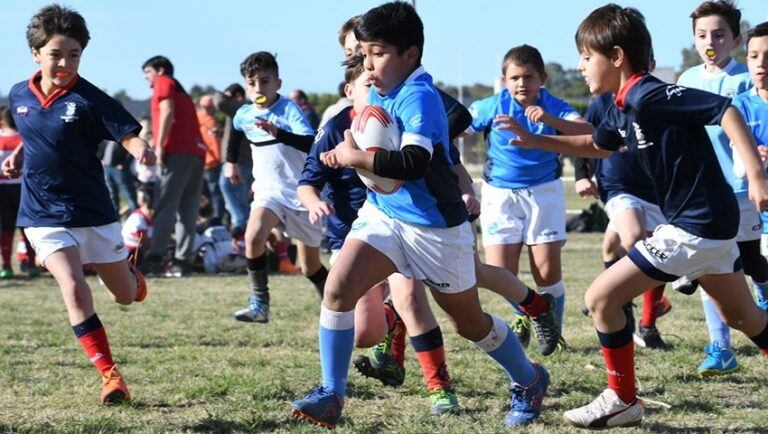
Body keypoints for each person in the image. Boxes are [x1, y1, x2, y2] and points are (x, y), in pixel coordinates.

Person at [499, 4, 768, 428]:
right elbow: (598, 146)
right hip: (706, 226)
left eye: (587, 57)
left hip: (695, 227)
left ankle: (622, 399)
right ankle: (624, 397)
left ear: (617, 57)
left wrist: (756, 175)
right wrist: (537, 141)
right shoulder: (620, 105)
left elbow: (725, 111)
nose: (580, 65)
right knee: (746, 318)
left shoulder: (649, 94)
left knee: (601, 299)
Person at [290, 3, 549, 429]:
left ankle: (529, 378)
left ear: (410, 55)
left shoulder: (420, 97)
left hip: (435, 229)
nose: (367, 64)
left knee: (469, 323)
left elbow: (412, 162)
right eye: (363, 54)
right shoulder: (376, 88)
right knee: (337, 289)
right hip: (383, 216)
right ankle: (332, 393)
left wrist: (358, 157)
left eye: (377, 53)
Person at [1, 4, 155, 404]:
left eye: (74, 54)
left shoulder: (90, 99)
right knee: (73, 286)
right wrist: (19, 155)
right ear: (36, 53)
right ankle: (110, 375)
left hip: (93, 212)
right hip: (42, 213)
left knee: (124, 295)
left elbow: (126, 133)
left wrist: (142, 149)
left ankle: (129, 274)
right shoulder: (20, 94)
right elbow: (33, 133)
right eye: (56, 53)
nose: (65, 62)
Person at [298, 53, 462, 415]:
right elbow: (307, 180)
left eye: (375, 71)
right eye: (365, 81)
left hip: (411, 221)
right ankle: (386, 328)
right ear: (348, 89)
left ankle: (440, 388)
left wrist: (457, 174)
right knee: (365, 333)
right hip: (359, 231)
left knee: (417, 301)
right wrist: (313, 200)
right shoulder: (335, 128)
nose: (373, 80)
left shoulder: (406, 103)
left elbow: (455, 118)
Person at [467, 44, 594, 346]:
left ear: (542, 79)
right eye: (514, 78)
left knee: (547, 273)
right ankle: (530, 313)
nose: (521, 84)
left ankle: (553, 332)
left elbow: (589, 131)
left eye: (528, 77)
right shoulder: (491, 106)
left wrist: (550, 121)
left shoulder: (554, 105)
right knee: (499, 273)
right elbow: (458, 126)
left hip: (543, 193)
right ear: (504, 80)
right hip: (499, 194)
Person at [676, 0, 768, 376]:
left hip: (742, 189)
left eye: (718, 34)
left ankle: (762, 294)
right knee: (708, 266)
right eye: (701, 35)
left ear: (735, 39)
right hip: (703, 191)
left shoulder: (747, 79)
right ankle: (720, 346)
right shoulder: (686, 82)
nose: (709, 42)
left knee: (750, 263)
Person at [226, 51, 327, 323]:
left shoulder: (289, 110)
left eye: (265, 81)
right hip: (268, 192)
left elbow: (310, 144)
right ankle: (260, 303)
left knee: (309, 266)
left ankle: (335, 308)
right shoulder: (244, 114)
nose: (259, 88)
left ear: (278, 83)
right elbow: (236, 130)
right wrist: (230, 162)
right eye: (253, 83)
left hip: (301, 194)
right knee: (253, 236)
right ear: (246, 87)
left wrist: (277, 133)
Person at [573, 91, 671, 351]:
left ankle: (639, 315)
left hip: (652, 190)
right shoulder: (600, 104)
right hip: (617, 188)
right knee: (635, 239)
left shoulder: (654, 99)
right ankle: (624, 307)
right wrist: (581, 175)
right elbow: (582, 139)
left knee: (617, 247)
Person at [141, 55, 206, 277]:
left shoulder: (163, 81)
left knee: (165, 205)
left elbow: (167, 110)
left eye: (148, 73)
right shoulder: (181, 90)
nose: (148, 80)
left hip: (176, 151)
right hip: (196, 152)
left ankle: (156, 259)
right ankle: (182, 261)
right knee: (188, 210)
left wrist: (158, 146)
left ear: (159, 70)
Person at [733, 21, 768, 263]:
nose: (760, 62)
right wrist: (754, 160)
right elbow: (740, 169)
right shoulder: (741, 107)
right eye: (754, 55)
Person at [213, 84, 253, 236]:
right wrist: (222, 133)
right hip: (241, 159)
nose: (227, 99)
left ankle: (240, 222)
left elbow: (219, 102)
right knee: (237, 193)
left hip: (237, 161)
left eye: (230, 96)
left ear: (238, 96)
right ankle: (241, 223)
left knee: (231, 189)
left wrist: (221, 92)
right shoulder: (243, 108)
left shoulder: (240, 107)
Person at [197, 95, 225, 225]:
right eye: (205, 107)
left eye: (210, 107)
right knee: (211, 194)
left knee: (217, 193)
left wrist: (219, 133)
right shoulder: (197, 118)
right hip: (206, 161)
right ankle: (212, 220)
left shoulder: (218, 118)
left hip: (218, 161)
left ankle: (217, 220)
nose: (208, 109)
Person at [122, 184, 153, 262]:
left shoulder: (150, 216)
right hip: (131, 254)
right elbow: (145, 242)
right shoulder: (137, 218)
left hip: (140, 250)